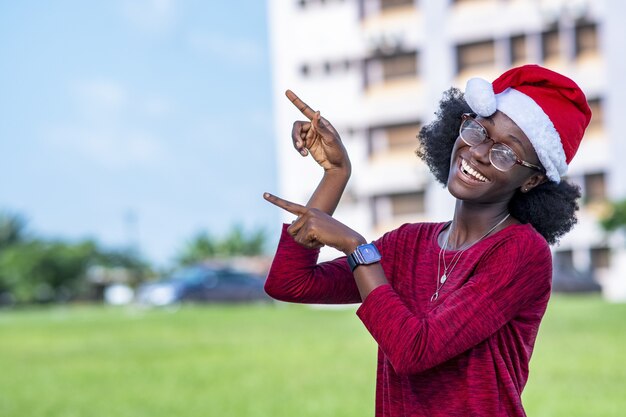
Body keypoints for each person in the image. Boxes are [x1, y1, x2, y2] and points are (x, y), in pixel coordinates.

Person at [262, 64, 591, 416]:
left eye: (506, 153)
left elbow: (414, 350)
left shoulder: (522, 253)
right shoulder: (408, 243)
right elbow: (290, 283)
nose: (478, 153)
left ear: (532, 181)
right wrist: (335, 175)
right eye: (478, 131)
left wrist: (357, 249)